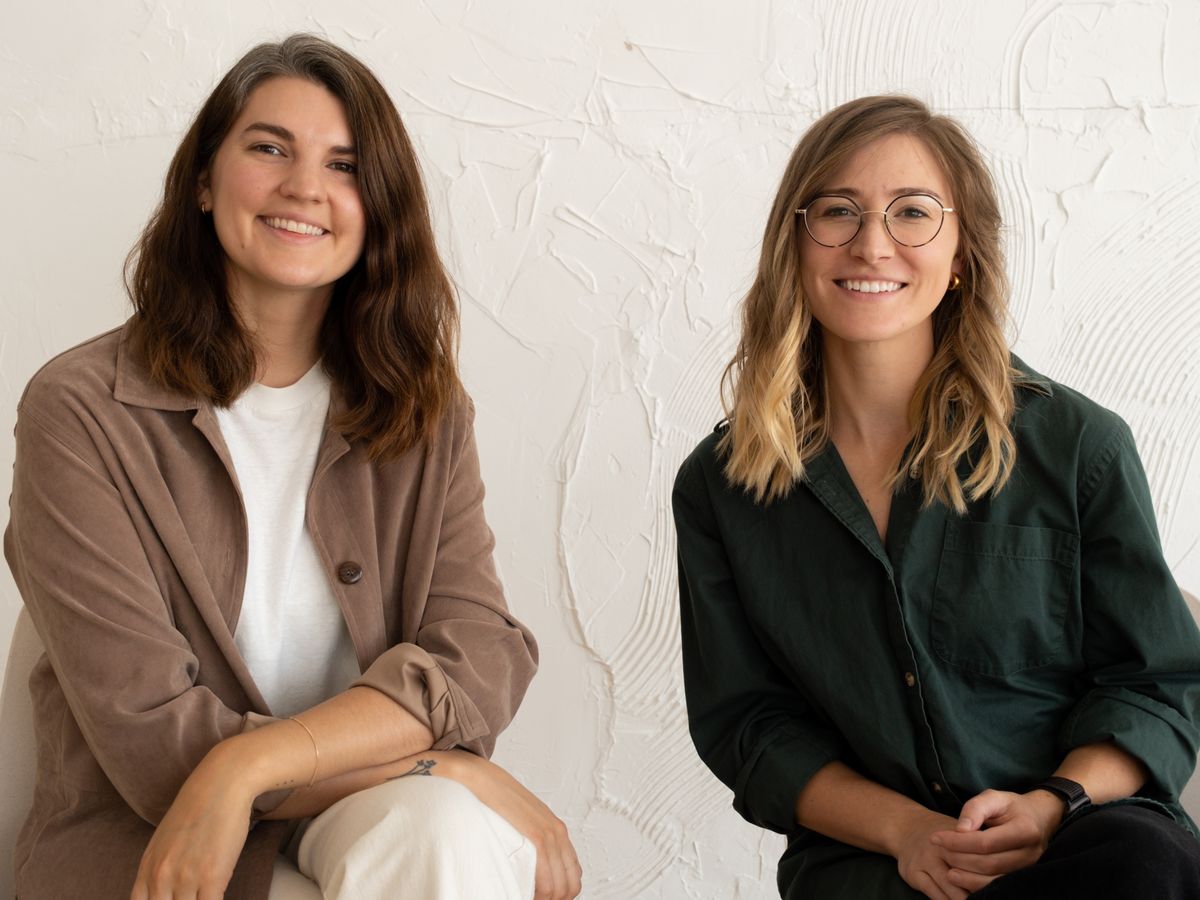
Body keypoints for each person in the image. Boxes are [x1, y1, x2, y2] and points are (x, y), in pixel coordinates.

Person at [5, 34, 582, 900]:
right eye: (270, 148)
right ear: (204, 181)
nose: (305, 188)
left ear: (378, 209)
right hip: (155, 848)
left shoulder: (425, 413)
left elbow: (478, 657)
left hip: (357, 819)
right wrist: (442, 763)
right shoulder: (82, 412)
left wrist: (250, 765)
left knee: (445, 832)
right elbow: (156, 750)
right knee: (448, 814)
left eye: (344, 166)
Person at [673, 94, 1200, 900]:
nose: (871, 243)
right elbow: (748, 727)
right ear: (794, 243)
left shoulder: (1076, 447)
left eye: (912, 212)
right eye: (837, 211)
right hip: (873, 868)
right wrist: (908, 831)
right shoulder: (722, 486)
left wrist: (1050, 806)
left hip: (1082, 849)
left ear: (961, 253)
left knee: (1143, 863)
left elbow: (1155, 682)